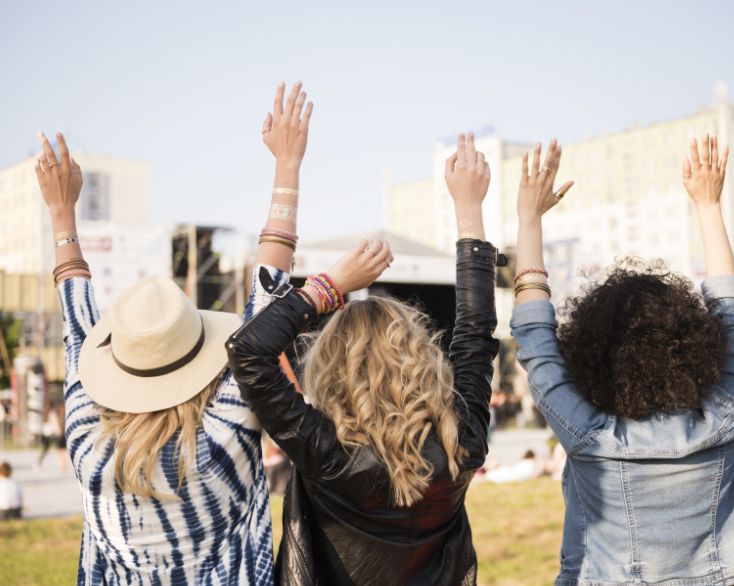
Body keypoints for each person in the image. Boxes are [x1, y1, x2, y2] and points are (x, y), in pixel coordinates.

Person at [33, 104, 319, 582]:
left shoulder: (89, 448)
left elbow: (75, 325)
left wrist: (61, 216)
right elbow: (268, 304)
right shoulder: (227, 432)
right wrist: (287, 165)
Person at [227, 128, 500, 585]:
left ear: (331, 367)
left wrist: (327, 286)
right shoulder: (462, 439)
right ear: (419, 357)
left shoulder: (326, 451)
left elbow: (249, 351)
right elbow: (475, 333)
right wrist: (470, 211)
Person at [511, 136, 734, 585]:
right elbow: (730, 315)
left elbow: (536, 338)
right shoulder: (728, 415)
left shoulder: (589, 436)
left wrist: (528, 218)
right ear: (693, 339)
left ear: (592, 351)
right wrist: (709, 207)